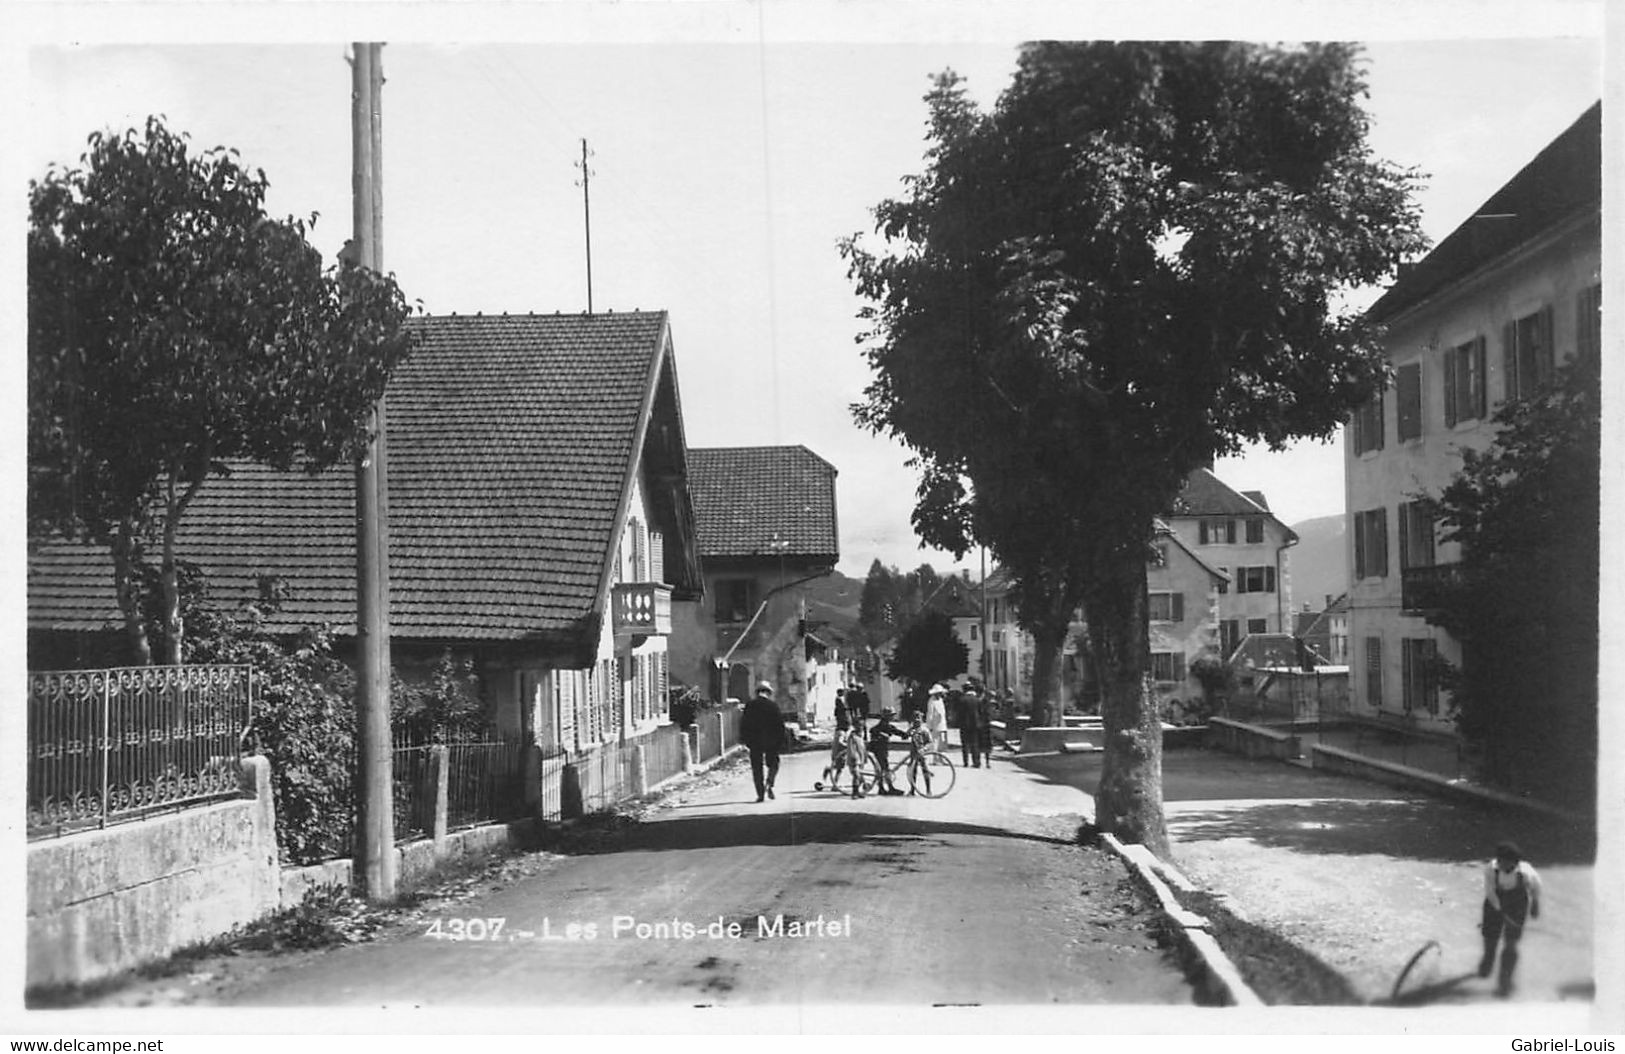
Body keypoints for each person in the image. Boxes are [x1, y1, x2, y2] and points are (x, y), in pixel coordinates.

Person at [1479, 840, 1543, 997]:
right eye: (1500, 860)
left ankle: (1505, 980)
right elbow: (1490, 893)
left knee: (1511, 943)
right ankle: (1488, 960)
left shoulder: (1527, 872)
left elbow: (1536, 888)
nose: (1501, 864)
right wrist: (1501, 912)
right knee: (1490, 939)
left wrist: (1535, 905)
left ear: (1515, 862)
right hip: (1494, 902)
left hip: (1518, 905)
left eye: (1506, 862)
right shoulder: (1490, 869)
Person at [741, 681, 788, 803]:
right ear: (768, 692)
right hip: (771, 741)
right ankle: (770, 783)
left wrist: (746, 740)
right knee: (774, 763)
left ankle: (760, 794)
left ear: (757, 692)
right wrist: (780, 742)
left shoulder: (750, 705)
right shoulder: (773, 706)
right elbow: (780, 726)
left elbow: (743, 724)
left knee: (757, 768)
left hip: (755, 742)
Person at [867, 708, 910, 795]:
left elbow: (893, 730)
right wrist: (904, 734)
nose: (893, 717)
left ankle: (883, 788)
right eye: (891, 715)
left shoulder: (884, 724)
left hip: (880, 748)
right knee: (884, 768)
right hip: (879, 748)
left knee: (882, 768)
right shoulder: (884, 725)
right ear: (887, 716)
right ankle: (889, 788)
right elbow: (893, 730)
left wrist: (903, 734)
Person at [821, 691, 853, 790]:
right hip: (839, 751)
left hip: (838, 751)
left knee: (838, 767)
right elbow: (840, 742)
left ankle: (830, 773)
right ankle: (835, 784)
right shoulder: (841, 731)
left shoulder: (840, 706)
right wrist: (846, 746)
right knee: (840, 768)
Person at [955, 683, 985, 768]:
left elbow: (959, 713)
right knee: (975, 743)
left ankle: (966, 762)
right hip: (975, 725)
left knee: (965, 744)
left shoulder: (961, 700)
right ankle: (976, 762)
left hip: (964, 725)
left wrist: (957, 723)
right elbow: (981, 713)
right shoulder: (977, 700)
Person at [975, 686, 996, 768]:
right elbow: (990, 713)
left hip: (981, 725)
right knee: (985, 745)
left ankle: (981, 761)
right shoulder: (986, 702)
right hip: (986, 725)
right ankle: (985, 762)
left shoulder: (979, 701)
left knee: (981, 744)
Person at [925, 682, 949, 752]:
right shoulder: (931, 701)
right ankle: (936, 759)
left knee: (943, 742)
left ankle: (942, 758)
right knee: (935, 742)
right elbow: (930, 714)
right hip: (935, 726)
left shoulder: (941, 700)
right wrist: (929, 726)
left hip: (942, 725)